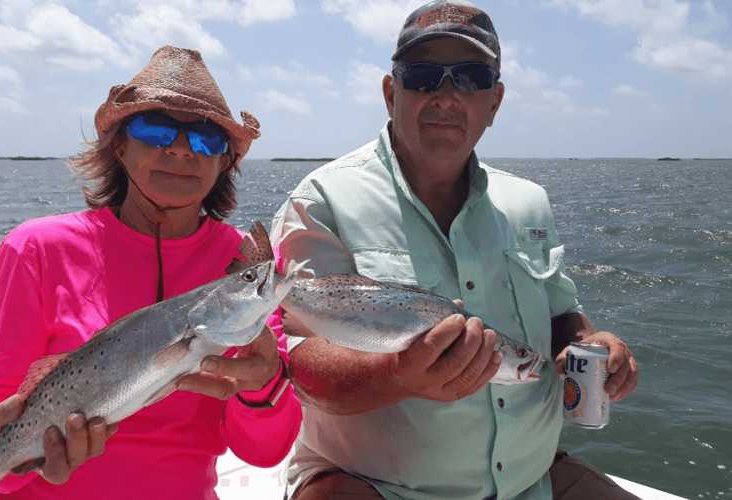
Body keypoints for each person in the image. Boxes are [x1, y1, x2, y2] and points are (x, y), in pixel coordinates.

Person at [270, 2, 639, 499]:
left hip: (534, 478)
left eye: (470, 77)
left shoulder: (529, 201)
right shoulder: (321, 200)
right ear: (389, 92)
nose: (445, 95)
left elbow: (561, 312)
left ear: (495, 101)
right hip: (370, 484)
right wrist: (398, 374)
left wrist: (591, 346)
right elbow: (302, 365)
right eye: (423, 76)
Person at [0, 46, 301, 499]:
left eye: (207, 139)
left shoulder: (244, 271)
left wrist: (263, 385)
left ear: (226, 160)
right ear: (119, 145)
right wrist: (8, 453)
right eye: (156, 129)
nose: (182, 150)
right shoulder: (36, 248)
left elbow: (264, 452)